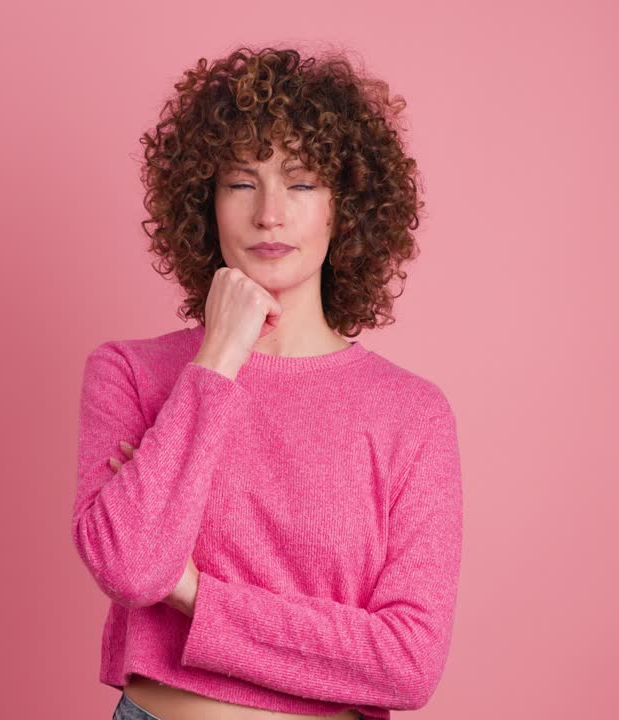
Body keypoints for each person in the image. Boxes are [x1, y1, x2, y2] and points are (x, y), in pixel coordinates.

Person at [72, 45, 464, 720]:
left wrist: (195, 593)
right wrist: (217, 358)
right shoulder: (132, 375)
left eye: (303, 182)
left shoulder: (411, 415)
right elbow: (132, 567)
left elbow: (407, 665)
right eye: (242, 183)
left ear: (345, 209)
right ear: (206, 200)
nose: (271, 213)